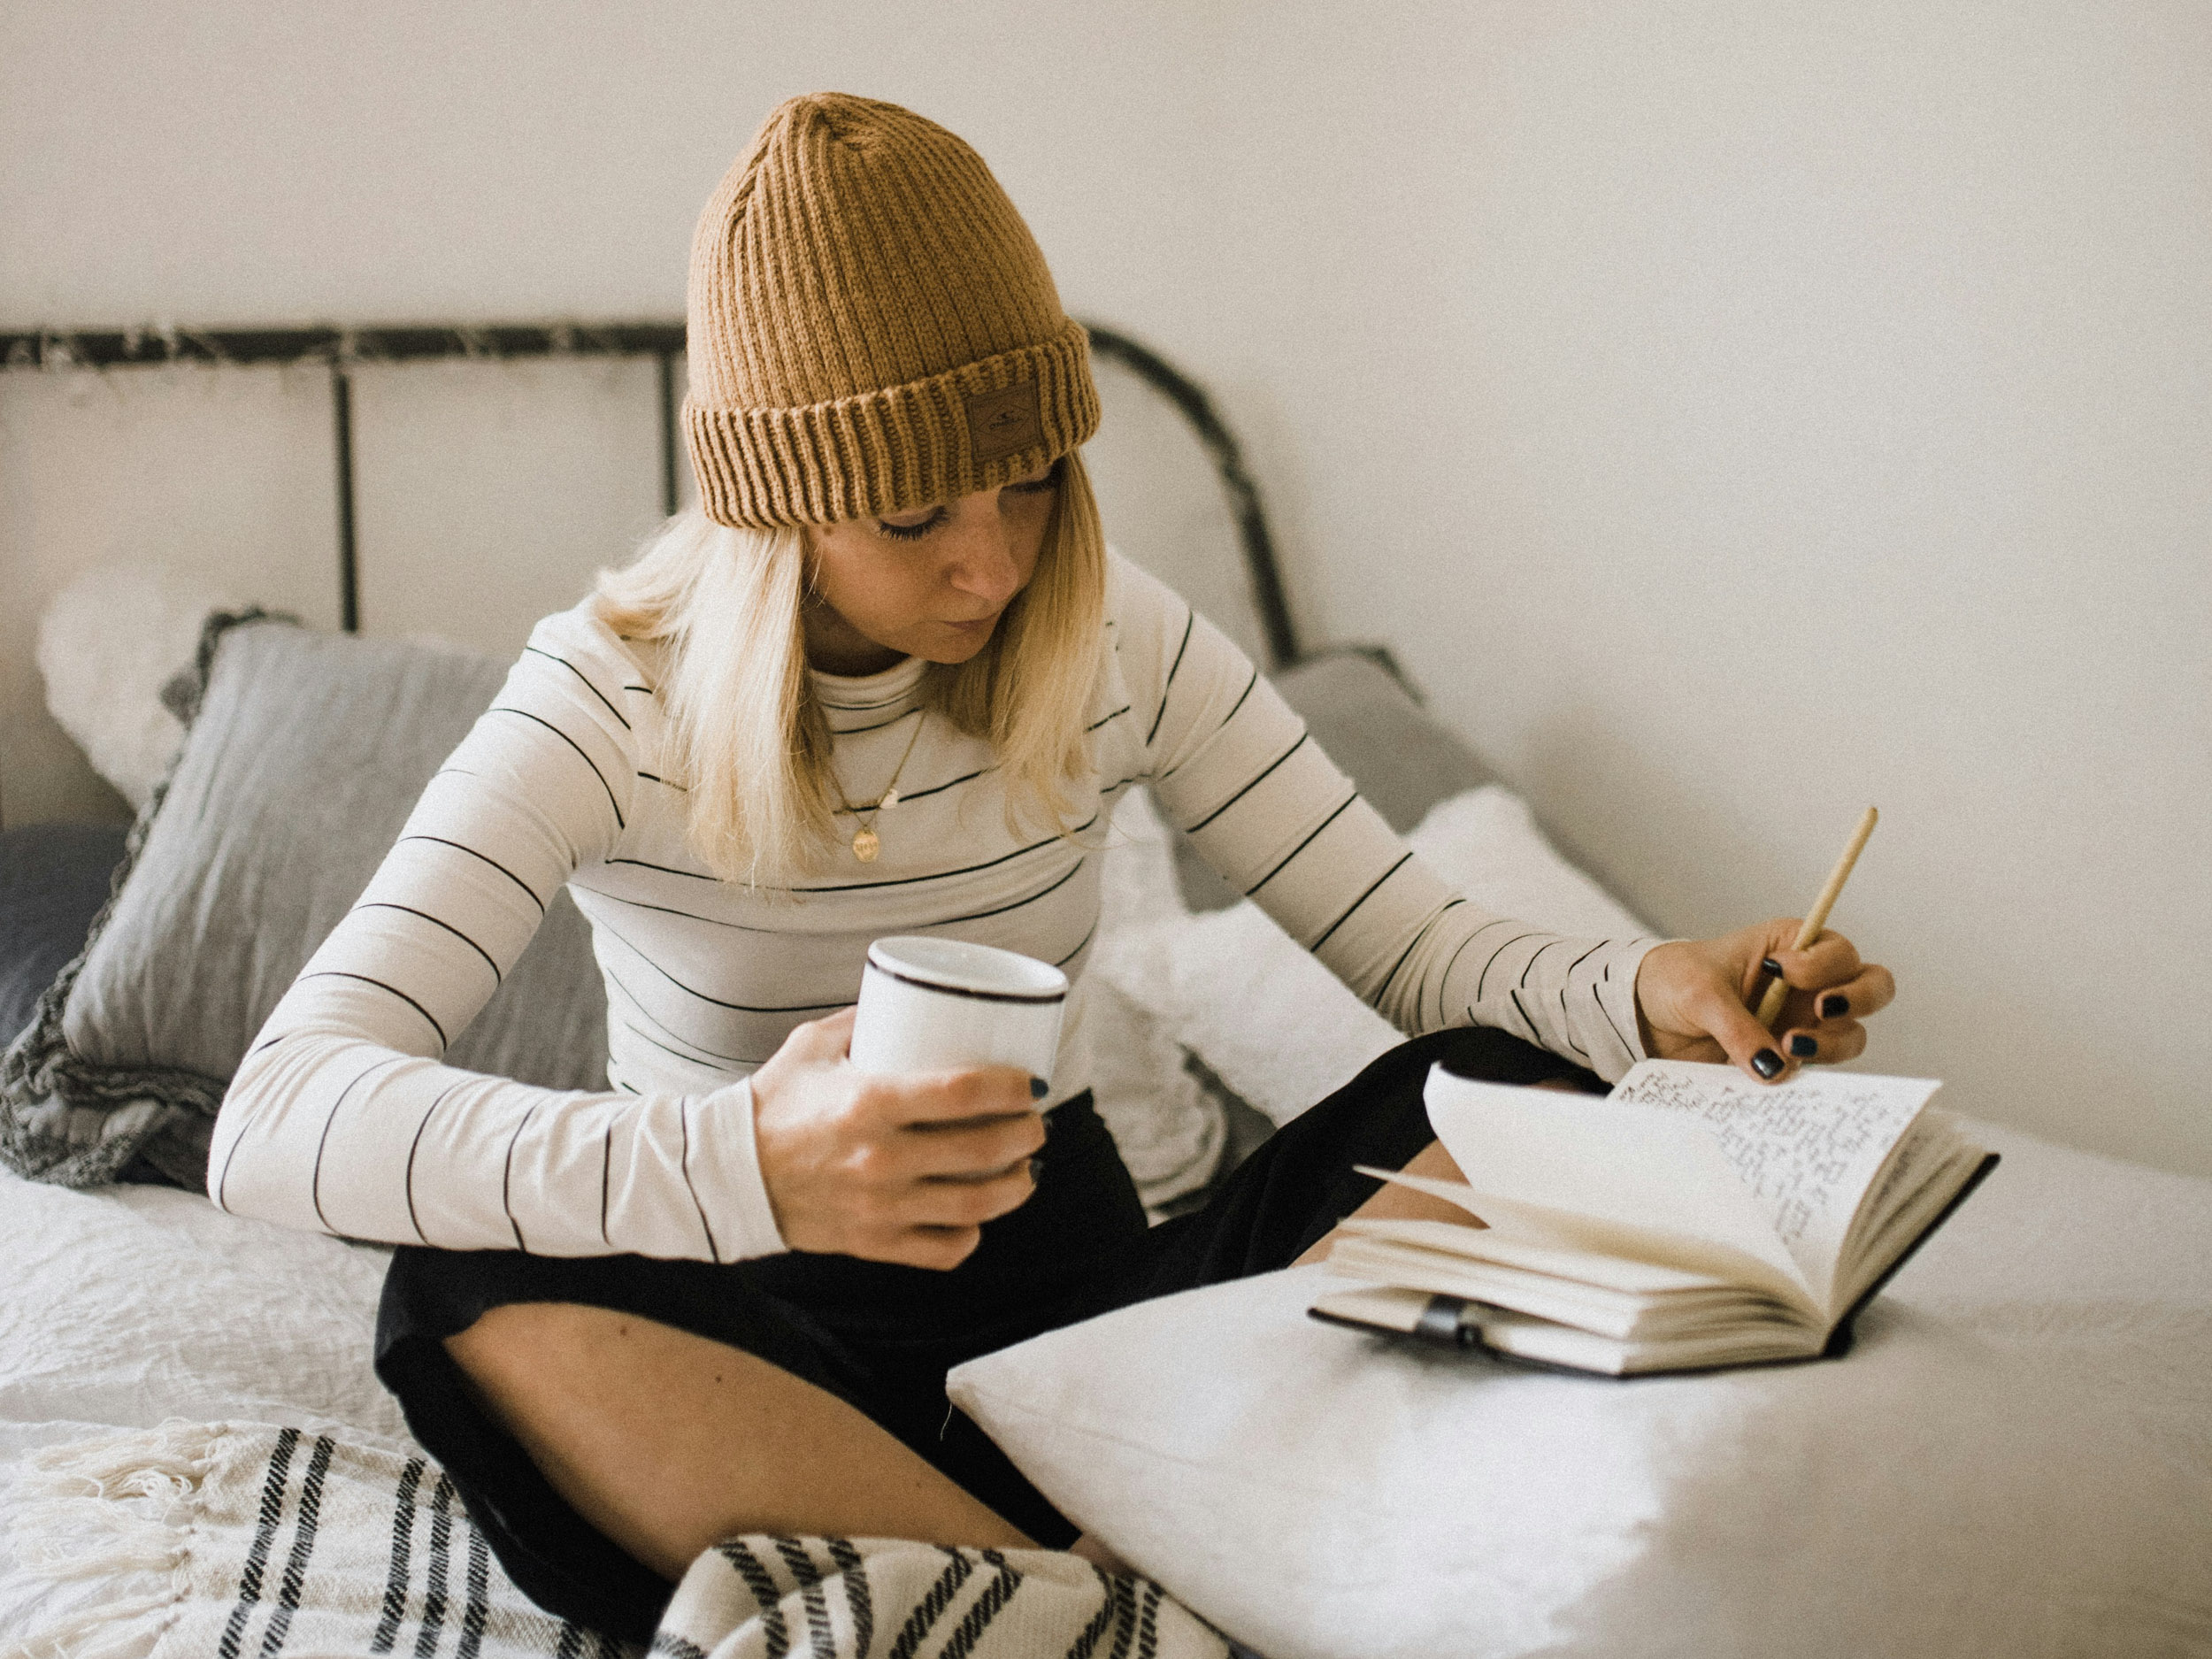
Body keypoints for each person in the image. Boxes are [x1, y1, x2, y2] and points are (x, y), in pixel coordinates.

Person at [207, 92, 1894, 1643]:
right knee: (454, 1285)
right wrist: (740, 1163)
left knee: (1509, 1080)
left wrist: (1641, 987)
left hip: (1106, 1348)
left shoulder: (1113, 640)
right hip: (760, 1376)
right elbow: (275, 1117)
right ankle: (1098, 1595)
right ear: (780, 512)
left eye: (1028, 486)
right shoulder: (604, 699)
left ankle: (1034, 1576)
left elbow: (1423, 946)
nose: (992, 563)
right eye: (917, 517)